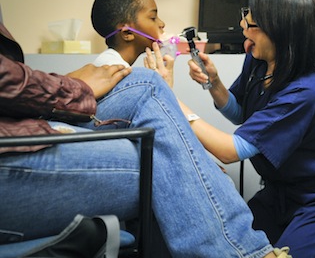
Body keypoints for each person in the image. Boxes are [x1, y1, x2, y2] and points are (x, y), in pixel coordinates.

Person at [0, 18, 291, 256]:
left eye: (252, 23)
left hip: (300, 194)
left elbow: (237, 124)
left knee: (150, 91)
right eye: (153, 17)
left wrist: (201, 92)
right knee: (172, 162)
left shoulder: (300, 87)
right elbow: (235, 132)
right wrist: (70, 88)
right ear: (127, 31)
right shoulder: (256, 65)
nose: (162, 24)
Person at [146, 0, 315, 258]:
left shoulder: (305, 92)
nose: (244, 29)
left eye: (252, 24)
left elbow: (232, 151)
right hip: (277, 193)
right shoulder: (260, 60)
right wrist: (214, 84)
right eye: (246, 19)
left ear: (280, 30)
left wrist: (168, 98)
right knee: (232, 243)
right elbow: (241, 114)